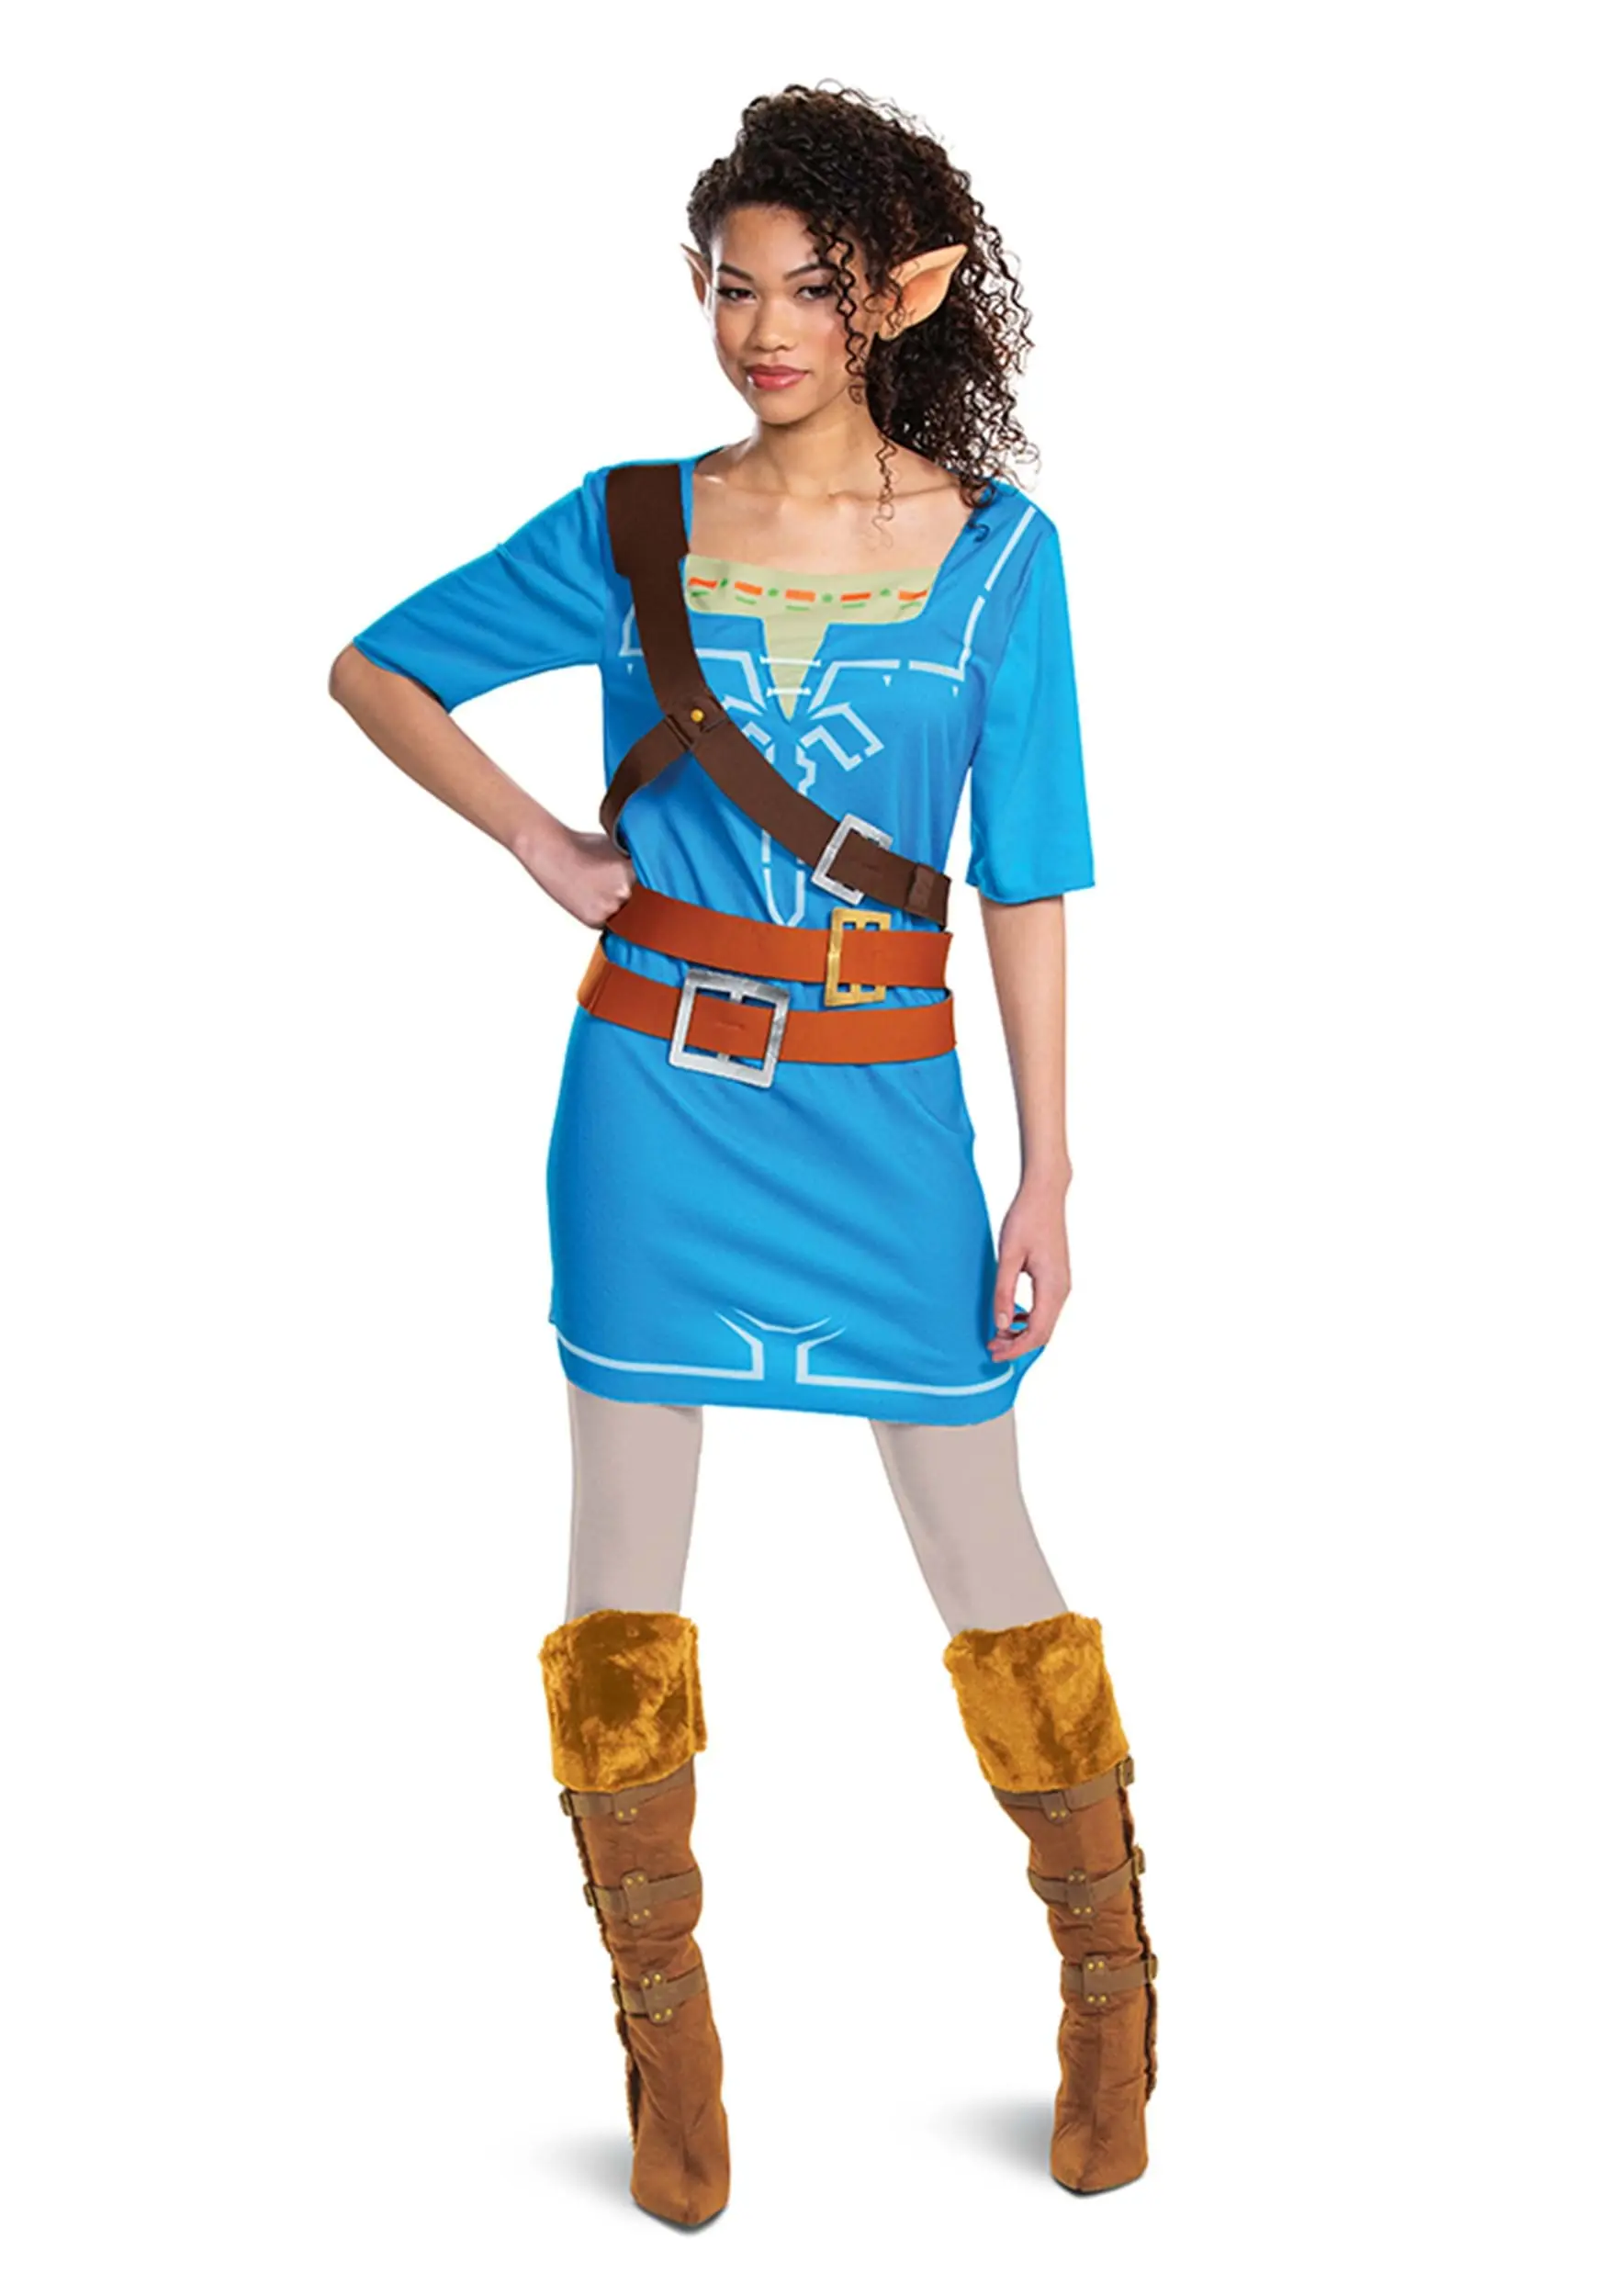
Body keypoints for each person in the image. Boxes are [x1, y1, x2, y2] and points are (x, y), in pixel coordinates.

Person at [329, 81, 1157, 2229]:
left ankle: (1107, 1987)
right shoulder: (630, 527)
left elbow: (1026, 874)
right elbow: (378, 668)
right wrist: (538, 842)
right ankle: (664, 2041)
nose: (764, 328)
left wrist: (1045, 1170)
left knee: (979, 1535)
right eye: (730, 285)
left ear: (907, 293)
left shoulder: (999, 557)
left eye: (811, 287)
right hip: (648, 1101)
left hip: (886, 1110)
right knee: (619, 1562)